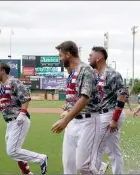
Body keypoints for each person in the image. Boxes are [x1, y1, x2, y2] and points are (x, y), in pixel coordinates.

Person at [51, 41, 100, 174]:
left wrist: (65, 119)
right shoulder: (72, 73)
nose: (60, 59)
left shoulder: (86, 69)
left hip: (88, 122)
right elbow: (75, 98)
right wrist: (67, 109)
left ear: (68, 54)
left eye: (60, 55)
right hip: (73, 123)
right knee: (68, 166)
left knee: (84, 166)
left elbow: (85, 98)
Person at [0, 62, 48, 175]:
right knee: (13, 151)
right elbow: (5, 102)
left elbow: (25, 98)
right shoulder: (1, 85)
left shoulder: (14, 82)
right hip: (9, 122)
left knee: (12, 151)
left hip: (18, 120)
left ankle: (41, 158)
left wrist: (22, 113)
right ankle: (26, 172)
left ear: (2, 70)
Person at [88, 46, 128, 174]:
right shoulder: (95, 75)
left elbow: (122, 95)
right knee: (113, 150)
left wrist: (115, 119)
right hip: (103, 114)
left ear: (98, 58)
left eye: (91, 56)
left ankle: (95, 171)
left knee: (96, 148)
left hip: (110, 114)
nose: (89, 58)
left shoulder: (112, 74)